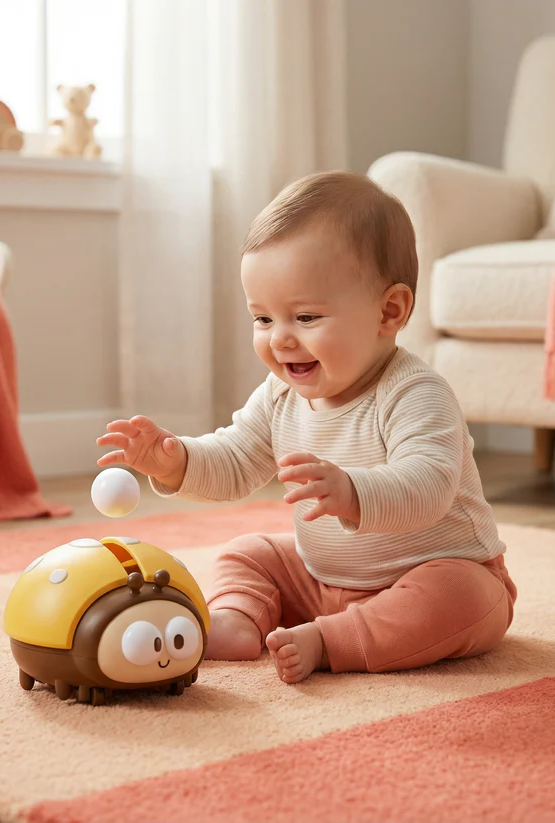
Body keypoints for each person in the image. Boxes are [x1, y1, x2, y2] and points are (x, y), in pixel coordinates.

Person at [96, 171, 517, 684]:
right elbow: (234, 460)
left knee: (461, 599)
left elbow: (429, 484)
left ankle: (329, 640)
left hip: (434, 570)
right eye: (263, 319)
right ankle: (238, 618)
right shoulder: (280, 395)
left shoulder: (415, 392)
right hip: (322, 579)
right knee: (249, 551)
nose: (280, 340)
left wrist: (353, 491)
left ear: (389, 311)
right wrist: (175, 461)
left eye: (306, 317)